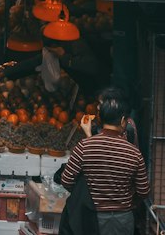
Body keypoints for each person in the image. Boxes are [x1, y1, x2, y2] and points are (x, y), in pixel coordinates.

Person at [60, 91, 150, 235]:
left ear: (101, 119)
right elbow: (144, 191)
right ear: (122, 120)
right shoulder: (133, 153)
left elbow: (66, 180)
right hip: (123, 219)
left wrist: (88, 194)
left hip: (91, 217)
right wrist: (126, 201)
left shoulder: (84, 146)